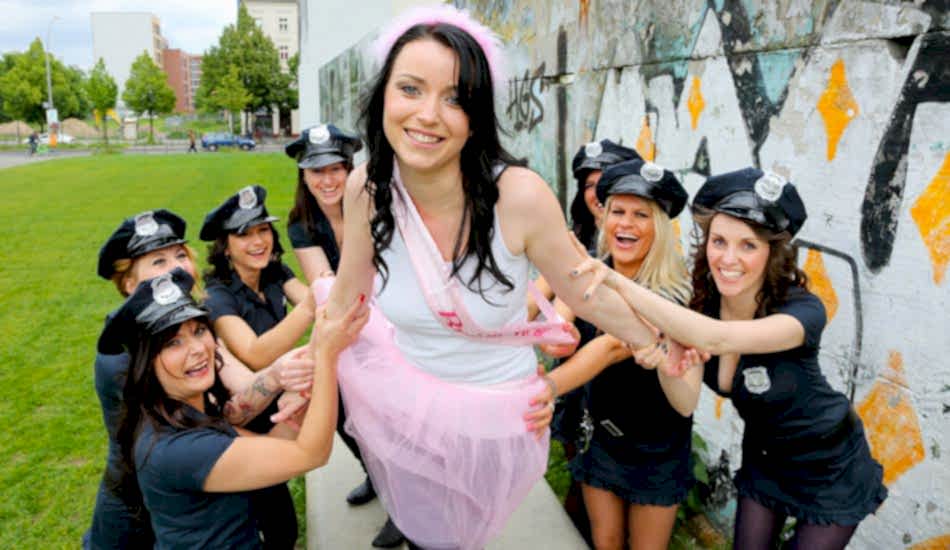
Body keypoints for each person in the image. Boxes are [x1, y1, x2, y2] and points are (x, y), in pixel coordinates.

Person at [321, 5, 673, 548]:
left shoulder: (520, 195)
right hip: (405, 398)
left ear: (478, 114)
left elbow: (585, 291)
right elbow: (346, 298)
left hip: (496, 411)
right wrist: (299, 374)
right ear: (384, 95)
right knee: (425, 534)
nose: (428, 115)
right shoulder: (367, 188)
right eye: (410, 89)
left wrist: (657, 341)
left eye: (456, 98)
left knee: (464, 534)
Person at [572, 168, 888, 549]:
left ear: (772, 252)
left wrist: (616, 280)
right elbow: (685, 402)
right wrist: (666, 365)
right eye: (719, 241)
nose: (729, 258)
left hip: (830, 465)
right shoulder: (702, 306)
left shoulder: (802, 312)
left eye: (748, 245)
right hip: (765, 460)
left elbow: (717, 338)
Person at [86, 209, 312, 550]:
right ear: (130, 285)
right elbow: (201, 426)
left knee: (279, 525)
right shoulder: (123, 356)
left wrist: (280, 376)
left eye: (180, 255)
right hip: (146, 509)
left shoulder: (185, 322)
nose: (177, 268)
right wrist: (285, 441)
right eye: (158, 262)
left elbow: (237, 385)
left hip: (209, 455)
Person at [102, 267, 368, 549]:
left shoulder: (178, 413)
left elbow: (275, 445)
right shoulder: (178, 448)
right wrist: (326, 356)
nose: (197, 349)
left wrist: (302, 394)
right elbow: (310, 454)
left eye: (199, 330)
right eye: (173, 343)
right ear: (146, 363)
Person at [537, 159, 700, 550]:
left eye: (641, 215)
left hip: (655, 448)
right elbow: (559, 321)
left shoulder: (670, 294)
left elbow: (611, 346)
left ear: (659, 228)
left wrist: (544, 387)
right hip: (602, 437)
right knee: (605, 541)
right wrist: (559, 333)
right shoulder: (594, 269)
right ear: (604, 216)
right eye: (618, 212)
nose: (625, 224)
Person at [285, 124, 405, 547]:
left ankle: (404, 507)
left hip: (394, 324)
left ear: (350, 169)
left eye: (336, 168)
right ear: (303, 176)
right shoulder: (302, 224)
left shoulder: (378, 204)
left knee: (393, 420)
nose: (328, 180)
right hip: (345, 326)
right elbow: (323, 286)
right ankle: (377, 475)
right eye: (316, 171)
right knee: (339, 414)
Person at [200, 185, 315, 548]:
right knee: (263, 526)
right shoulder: (217, 296)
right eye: (244, 234)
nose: (258, 241)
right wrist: (312, 310)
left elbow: (313, 297)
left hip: (279, 409)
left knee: (281, 525)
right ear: (225, 246)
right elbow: (254, 353)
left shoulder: (275, 271)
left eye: (263, 229)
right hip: (241, 424)